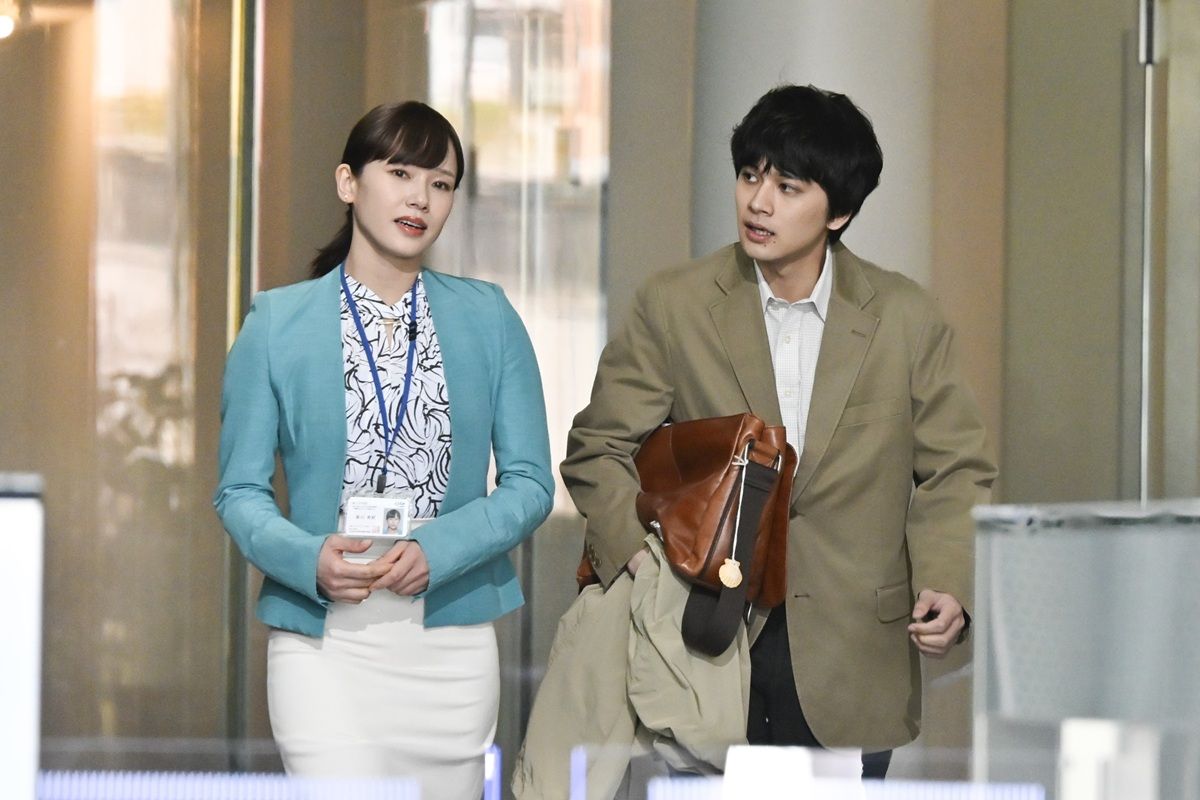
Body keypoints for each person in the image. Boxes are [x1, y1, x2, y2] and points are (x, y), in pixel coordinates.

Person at [560, 84, 997, 779]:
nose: (758, 202)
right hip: (705, 641)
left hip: (852, 651)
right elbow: (598, 447)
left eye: (787, 186)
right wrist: (643, 564)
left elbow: (957, 468)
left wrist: (948, 580)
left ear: (840, 211)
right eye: (749, 176)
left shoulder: (905, 317)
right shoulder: (676, 305)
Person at [214, 101, 554, 798]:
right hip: (322, 646)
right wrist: (306, 558)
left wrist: (440, 549)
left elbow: (530, 483)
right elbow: (238, 491)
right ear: (349, 183)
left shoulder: (488, 317)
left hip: (450, 647)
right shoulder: (277, 323)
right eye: (400, 173)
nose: (420, 197)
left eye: (440, 182)